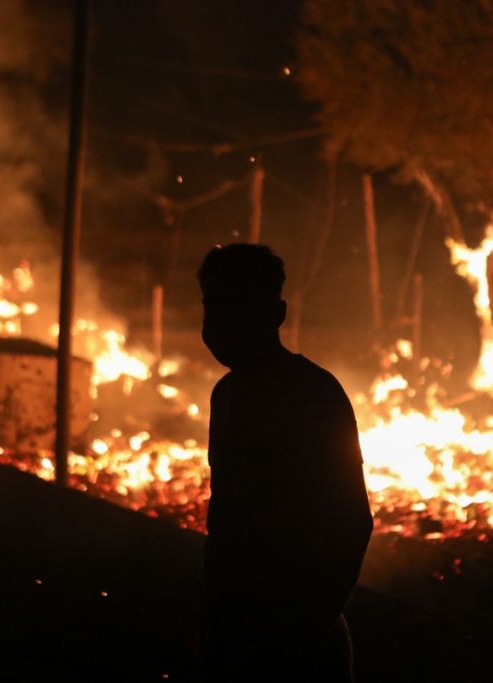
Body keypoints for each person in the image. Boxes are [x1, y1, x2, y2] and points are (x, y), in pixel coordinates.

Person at [196, 243, 374, 681]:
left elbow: (353, 521)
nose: (219, 324)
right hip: (236, 632)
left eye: (236, 307)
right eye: (212, 307)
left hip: (300, 642)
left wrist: (310, 621)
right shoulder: (226, 395)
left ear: (275, 314)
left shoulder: (314, 396)